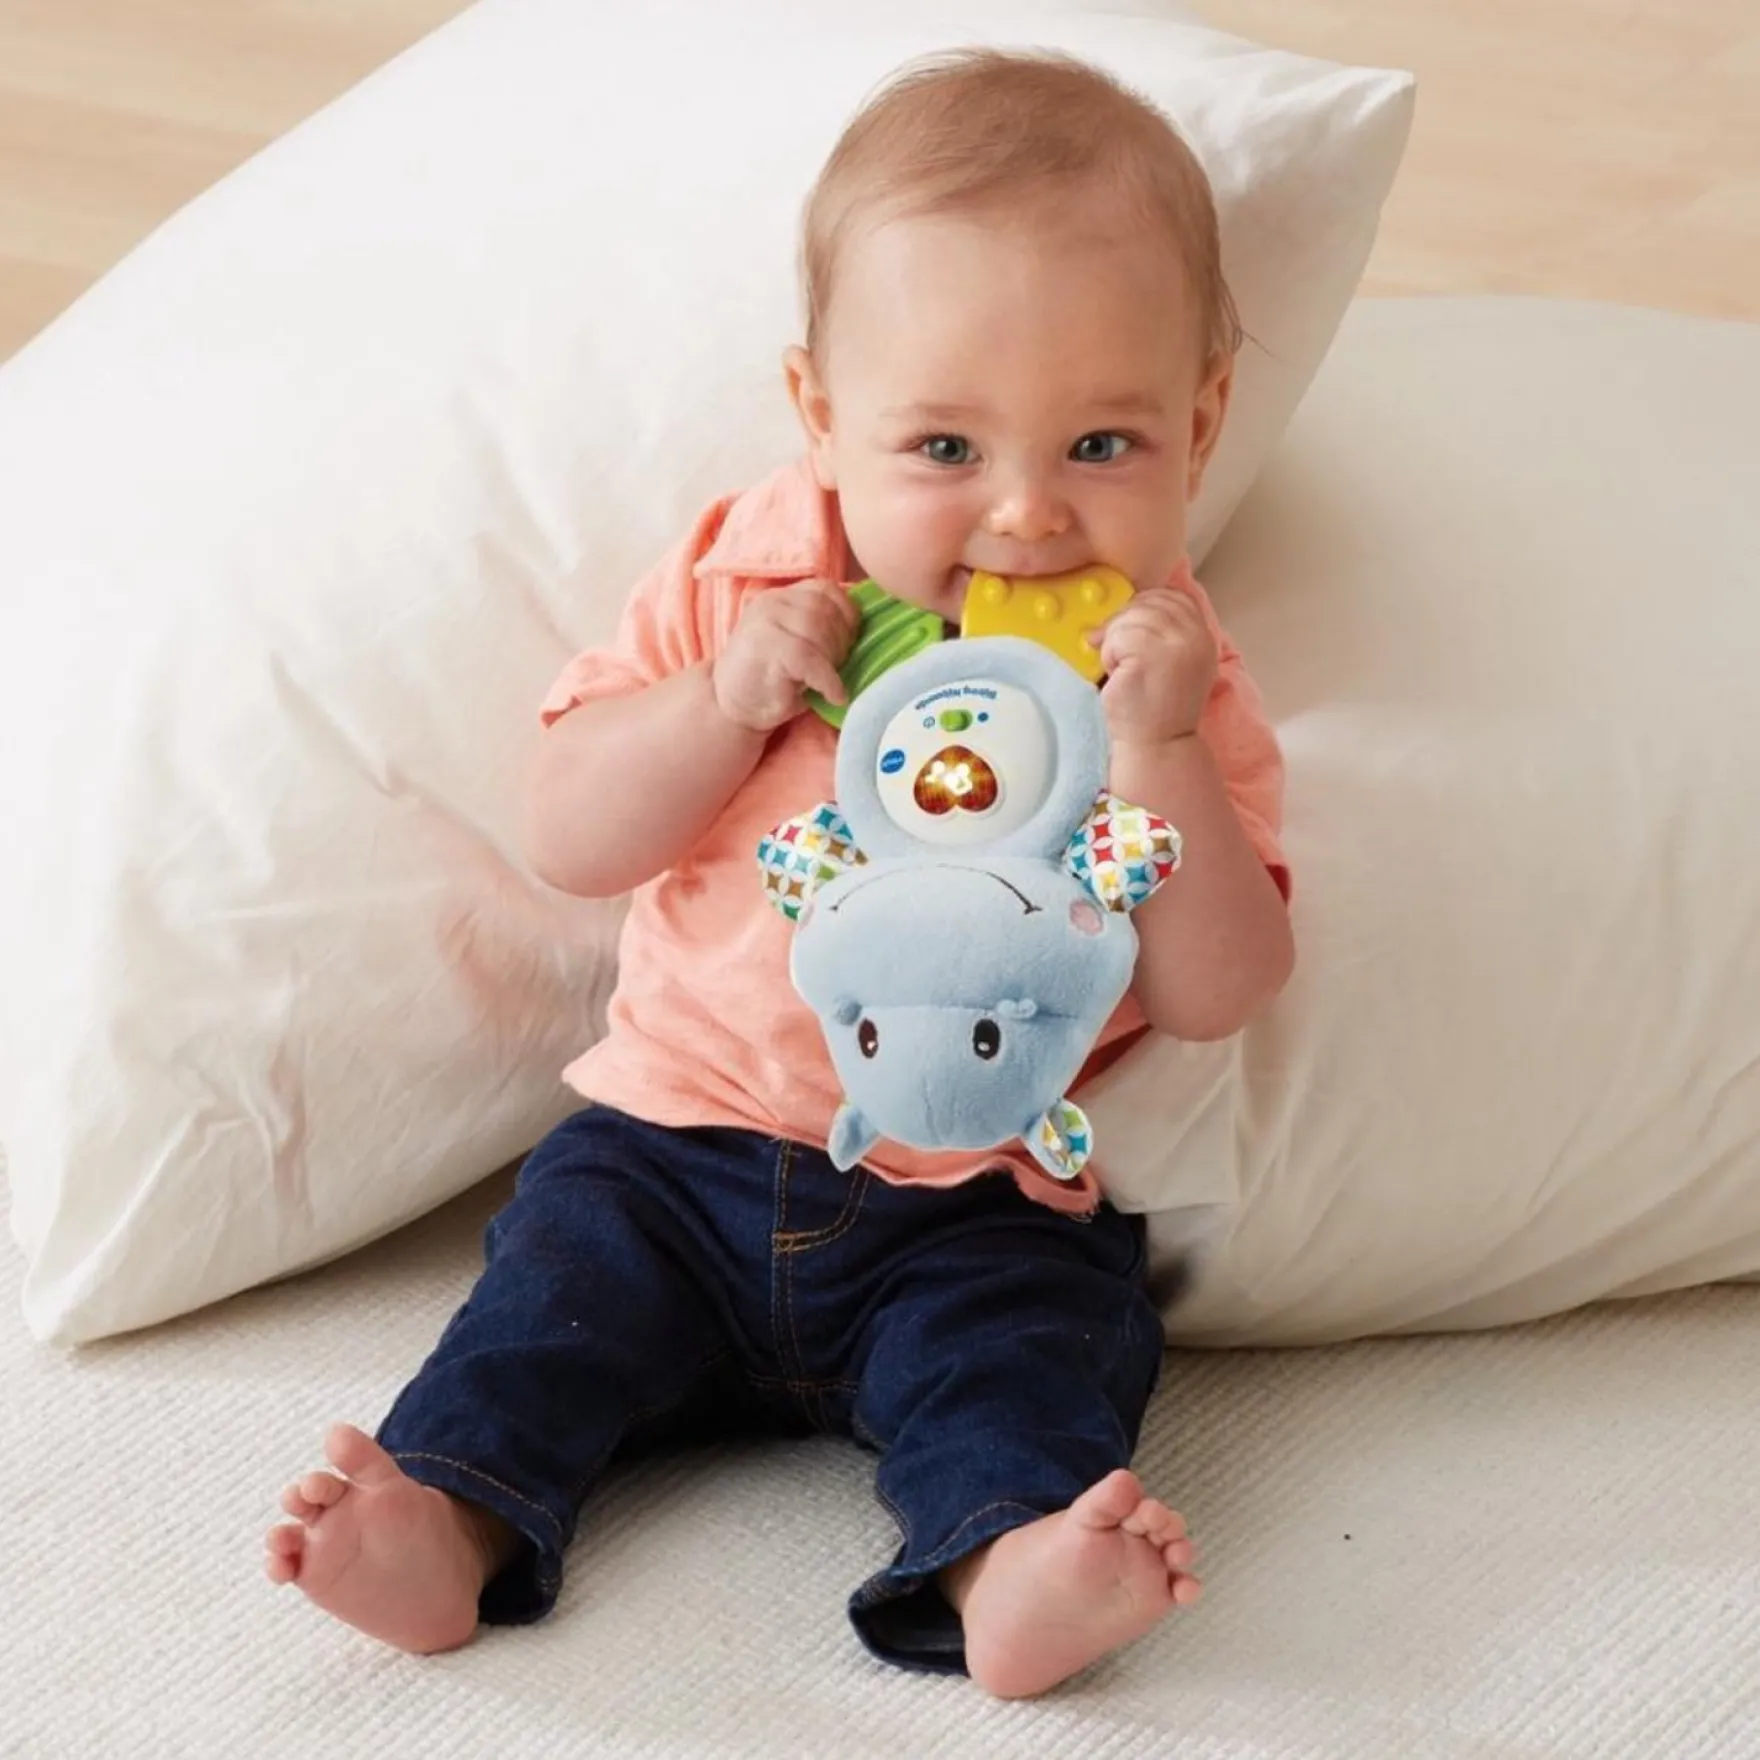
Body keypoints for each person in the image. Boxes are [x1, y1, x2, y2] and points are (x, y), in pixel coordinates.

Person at [264, 47, 1294, 1700]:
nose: (1026, 518)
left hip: (980, 1195)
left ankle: (1008, 1562)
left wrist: (1160, 752)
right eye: (943, 446)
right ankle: (446, 1517)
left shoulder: (1167, 675)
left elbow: (1221, 990)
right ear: (821, 416)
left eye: (1103, 443)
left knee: (1036, 1355)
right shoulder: (748, 579)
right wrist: (721, 702)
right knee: (543, 1309)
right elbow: (572, 835)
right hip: (676, 1153)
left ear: (1203, 421)